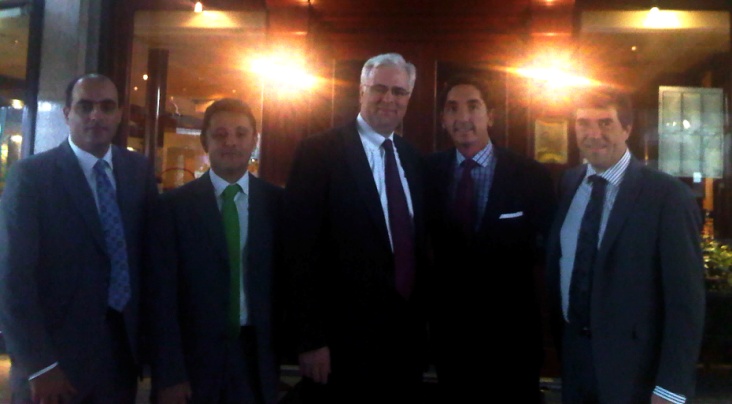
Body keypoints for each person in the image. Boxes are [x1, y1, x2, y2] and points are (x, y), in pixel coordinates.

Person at [0, 73, 158, 403]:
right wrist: (39, 365)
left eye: (106, 106)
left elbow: (149, 262)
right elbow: (12, 278)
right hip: (53, 364)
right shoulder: (31, 176)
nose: (96, 115)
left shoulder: (138, 172)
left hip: (120, 361)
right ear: (66, 113)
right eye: (85, 106)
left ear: (119, 114)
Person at [282, 52, 429, 403]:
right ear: (361, 91)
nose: (389, 99)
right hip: (340, 346)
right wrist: (310, 340)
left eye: (399, 91)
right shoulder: (319, 152)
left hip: (404, 343)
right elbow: (298, 251)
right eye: (380, 88)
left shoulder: (413, 158)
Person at [545, 89, 705, 403]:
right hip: (575, 357)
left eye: (605, 123)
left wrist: (671, 389)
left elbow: (686, 302)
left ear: (627, 129)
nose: (593, 134)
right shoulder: (568, 184)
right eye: (583, 123)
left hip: (635, 371)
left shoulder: (667, 196)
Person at [424, 75, 556, 403]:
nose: (463, 117)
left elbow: (550, 250)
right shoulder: (427, 172)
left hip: (512, 338)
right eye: (452, 109)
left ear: (490, 116)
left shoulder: (530, 175)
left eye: (473, 106)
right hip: (451, 337)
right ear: (443, 120)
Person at [149, 98, 282, 403]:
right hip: (192, 363)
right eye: (220, 134)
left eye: (240, 133)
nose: (231, 142)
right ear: (204, 141)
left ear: (254, 140)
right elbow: (160, 296)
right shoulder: (172, 208)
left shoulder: (278, 205)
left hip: (256, 359)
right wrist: (169, 374)